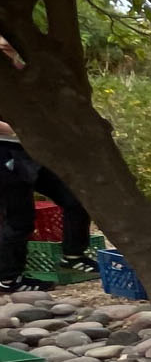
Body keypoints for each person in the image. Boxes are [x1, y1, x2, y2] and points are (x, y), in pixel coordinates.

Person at [0, 119, 96, 294]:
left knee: (76, 200)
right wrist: (23, 127)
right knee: (19, 220)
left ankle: (73, 255)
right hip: (4, 154)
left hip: (30, 151)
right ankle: (9, 279)